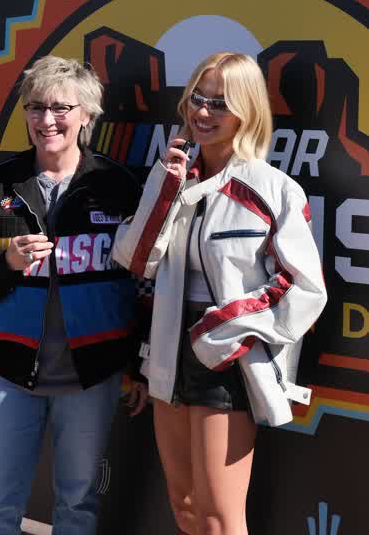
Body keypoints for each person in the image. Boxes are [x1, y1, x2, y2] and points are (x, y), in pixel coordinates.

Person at [112, 52, 327, 535]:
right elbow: (136, 258)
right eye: (197, 99)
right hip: (167, 352)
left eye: (220, 103)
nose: (203, 112)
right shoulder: (174, 176)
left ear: (247, 110)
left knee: (219, 518)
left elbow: (304, 287)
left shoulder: (272, 189)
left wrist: (225, 329)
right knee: (184, 504)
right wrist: (164, 188)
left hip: (227, 362)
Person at [0, 55, 149, 535]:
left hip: (93, 377)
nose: (47, 120)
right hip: (10, 373)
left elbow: (146, 284)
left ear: (87, 115)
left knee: (77, 505)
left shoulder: (117, 186)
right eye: (36, 107)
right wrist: (7, 264)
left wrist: (140, 365)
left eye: (61, 108)